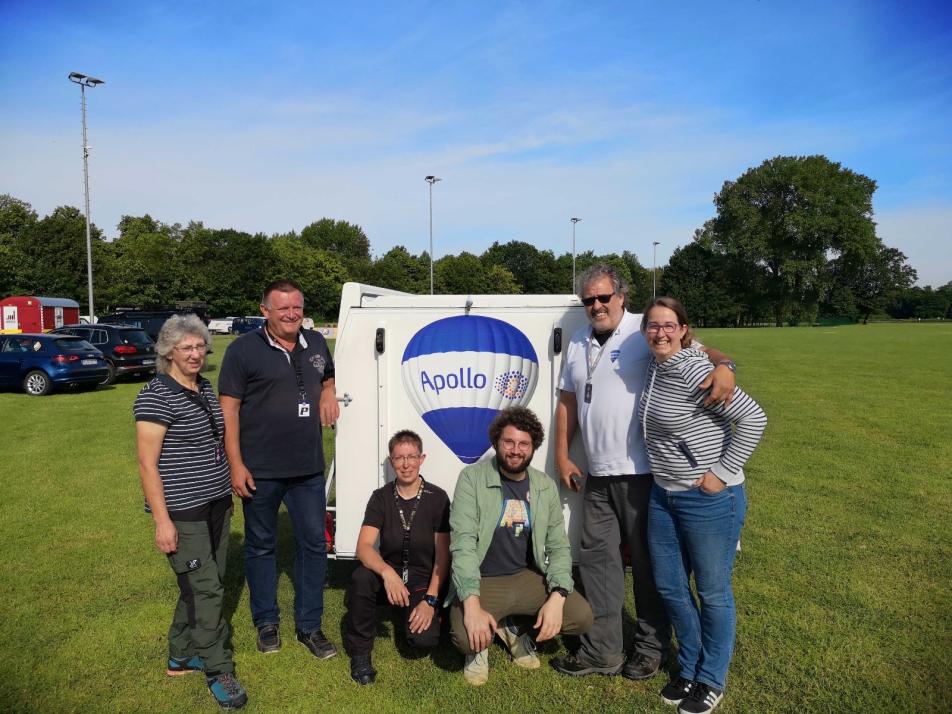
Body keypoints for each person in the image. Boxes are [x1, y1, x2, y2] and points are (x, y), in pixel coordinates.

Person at [552, 264, 737, 681]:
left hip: (642, 474)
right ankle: (603, 650)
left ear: (621, 297)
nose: (596, 306)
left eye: (603, 298)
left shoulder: (645, 328)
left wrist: (728, 367)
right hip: (596, 477)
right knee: (599, 565)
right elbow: (567, 402)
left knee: (651, 569)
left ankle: (651, 648)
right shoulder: (579, 340)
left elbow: (702, 352)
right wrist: (563, 456)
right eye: (588, 300)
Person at [639, 297, 767, 714]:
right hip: (663, 495)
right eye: (653, 326)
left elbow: (754, 418)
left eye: (668, 325)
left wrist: (723, 472)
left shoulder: (694, 369)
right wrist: (722, 358)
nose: (660, 332)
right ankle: (691, 666)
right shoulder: (655, 366)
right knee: (672, 588)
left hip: (707, 498)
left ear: (683, 329)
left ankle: (712, 678)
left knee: (712, 592)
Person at [218, 279, 340, 660]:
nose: (291, 314)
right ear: (264, 310)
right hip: (260, 470)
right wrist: (235, 465)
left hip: (307, 469)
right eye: (282, 308)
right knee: (261, 547)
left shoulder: (316, 342)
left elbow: (328, 373)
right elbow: (229, 412)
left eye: (297, 307)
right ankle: (266, 623)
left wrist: (328, 391)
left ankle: (310, 626)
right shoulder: (243, 350)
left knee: (314, 545)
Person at [134, 315, 248, 710]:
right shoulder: (155, 395)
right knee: (206, 590)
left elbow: (212, 445)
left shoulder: (201, 387)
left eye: (200, 346)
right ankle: (219, 670)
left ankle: (181, 655)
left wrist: (223, 490)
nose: (196, 353)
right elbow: (148, 465)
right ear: (168, 351)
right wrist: (162, 521)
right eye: (187, 347)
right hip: (183, 510)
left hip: (215, 503)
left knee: (204, 583)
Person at [449, 407, 593, 686]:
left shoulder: (543, 486)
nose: (516, 450)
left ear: (533, 447)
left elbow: (559, 547)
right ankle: (484, 643)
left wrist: (558, 595)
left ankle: (512, 627)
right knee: (467, 640)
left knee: (581, 617)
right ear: (496, 442)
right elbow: (463, 544)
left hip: (526, 576)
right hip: (484, 579)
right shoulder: (472, 478)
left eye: (524, 444)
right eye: (509, 442)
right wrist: (471, 603)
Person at [343, 430, 451, 685]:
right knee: (361, 578)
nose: (406, 464)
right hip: (389, 573)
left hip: (422, 578)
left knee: (423, 641)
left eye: (412, 457)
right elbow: (364, 547)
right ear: (392, 461)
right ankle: (360, 652)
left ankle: (423, 614)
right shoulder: (381, 497)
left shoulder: (438, 498)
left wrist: (430, 600)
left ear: (422, 459)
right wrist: (387, 573)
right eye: (399, 458)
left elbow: (443, 556)